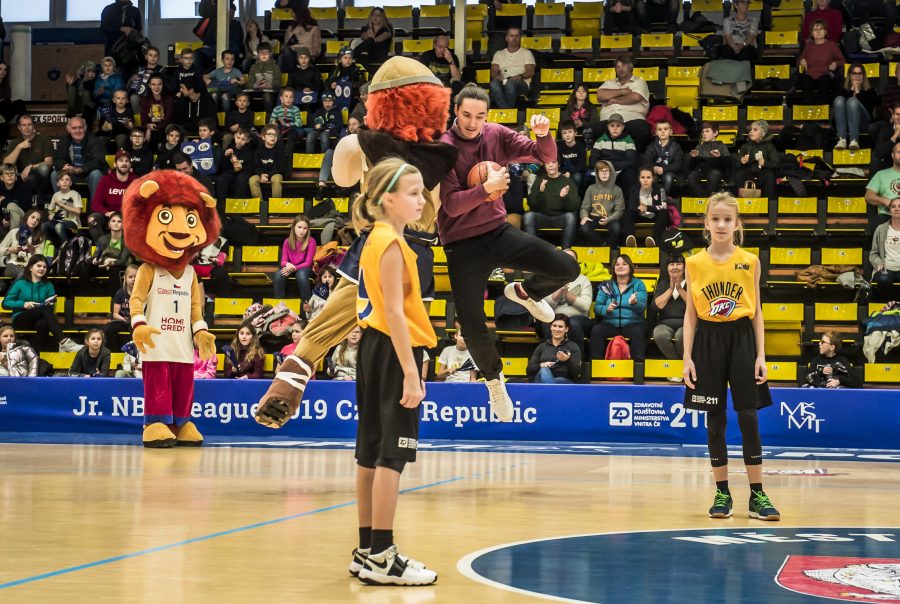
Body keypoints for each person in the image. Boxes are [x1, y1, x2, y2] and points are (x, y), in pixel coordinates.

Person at [439, 84, 580, 421]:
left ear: (487, 116)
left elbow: (544, 155)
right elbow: (451, 205)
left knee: (567, 268)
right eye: (467, 115)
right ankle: (494, 383)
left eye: (480, 116)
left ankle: (526, 292)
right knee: (471, 325)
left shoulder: (496, 134)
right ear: (455, 111)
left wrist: (543, 135)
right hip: (461, 244)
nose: (472, 123)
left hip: (497, 231)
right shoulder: (443, 148)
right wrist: (485, 189)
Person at [349, 158, 438, 586]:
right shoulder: (391, 244)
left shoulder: (376, 237)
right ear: (388, 199)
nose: (421, 201)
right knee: (391, 454)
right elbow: (395, 314)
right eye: (413, 193)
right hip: (392, 349)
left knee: (369, 450)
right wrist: (411, 373)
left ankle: (367, 550)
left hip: (373, 347)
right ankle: (383, 555)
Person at [682, 192, 780, 521]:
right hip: (707, 340)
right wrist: (687, 358)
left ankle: (757, 495)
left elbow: (758, 312)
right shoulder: (694, 262)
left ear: (737, 224)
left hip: (742, 339)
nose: (721, 225)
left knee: (748, 416)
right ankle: (722, 492)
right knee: (715, 418)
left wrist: (761, 354)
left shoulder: (750, 261)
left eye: (727, 219)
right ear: (706, 223)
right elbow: (691, 315)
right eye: (716, 219)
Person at [1, 255, 81, 352]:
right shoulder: (20, 283)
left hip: (40, 318)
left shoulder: (48, 285)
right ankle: (63, 341)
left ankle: (36, 355)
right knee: (44, 310)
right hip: (20, 319)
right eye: (39, 266)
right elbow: (5, 304)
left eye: (44, 267)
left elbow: (50, 308)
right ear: (30, 268)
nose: (42, 269)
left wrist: (50, 304)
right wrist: (23, 304)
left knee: (42, 324)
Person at [589, 254, 648, 361]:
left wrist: (634, 303)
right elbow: (597, 307)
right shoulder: (606, 285)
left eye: (624, 264)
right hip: (610, 324)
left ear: (630, 267)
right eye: (617, 264)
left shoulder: (639, 284)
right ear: (613, 268)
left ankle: (637, 365)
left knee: (638, 332)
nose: (620, 266)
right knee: (597, 330)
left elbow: (642, 307)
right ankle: (596, 364)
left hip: (632, 324)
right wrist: (606, 309)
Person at [595, 56, 651, 153]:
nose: (620, 69)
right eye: (617, 67)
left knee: (642, 129)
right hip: (608, 121)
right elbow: (600, 95)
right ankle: (606, 160)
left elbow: (635, 97)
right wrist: (622, 91)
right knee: (595, 128)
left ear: (631, 67)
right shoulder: (609, 83)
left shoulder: (639, 82)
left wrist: (614, 100)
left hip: (631, 121)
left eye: (623, 66)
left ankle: (635, 158)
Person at [523, 160, 581, 249]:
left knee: (571, 217)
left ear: (559, 164)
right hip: (543, 217)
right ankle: (534, 251)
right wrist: (540, 192)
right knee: (528, 216)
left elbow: (574, 206)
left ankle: (566, 251)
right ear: (544, 166)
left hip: (560, 218)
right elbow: (532, 205)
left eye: (553, 162)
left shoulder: (568, 182)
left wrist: (564, 197)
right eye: (547, 163)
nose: (550, 165)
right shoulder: (539, 180)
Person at [540, 248, 593, 344]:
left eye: (571, 258)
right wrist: (558, 292)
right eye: (565, 257)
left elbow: (585, 306)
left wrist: (567, 294)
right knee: (547, 324)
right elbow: (545, 306)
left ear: (576, 263)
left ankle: (576, 353)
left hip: (578, 317)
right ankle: (549, 352)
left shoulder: (583, 280)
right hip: (554, 316)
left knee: (572, 324)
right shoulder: (550, 279)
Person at [590, 113, 638, 208]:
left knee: (630, 174)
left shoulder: (628, 141)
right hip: (604, 169)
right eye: (612, 126)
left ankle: (628, 207)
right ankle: (595, 206)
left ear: (623, 127)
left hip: (621, 170)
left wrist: (612, 166)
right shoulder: (600, 141)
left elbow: (631, 161)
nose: (615, 128)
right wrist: (603, 168)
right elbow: (592, 159)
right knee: (589, 177)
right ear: (608, 127)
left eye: (618, 126)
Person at [2, 114, 54, 203]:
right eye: (24, 125)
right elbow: (6, 164)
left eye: (29, 124)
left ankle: (41, 198)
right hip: (21, 176)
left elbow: (49, 162)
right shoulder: (15, 142)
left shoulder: (44, 139)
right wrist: (19, 147)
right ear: (19, 127)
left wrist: (31, 166)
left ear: (33, 126)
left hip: (39, 177)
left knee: (44, 168)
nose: (27, 128)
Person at [651, 252, 686, 379]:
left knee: (681, 336)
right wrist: (670, 289)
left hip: (686, 323)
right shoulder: (663, 284)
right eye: (671, 264)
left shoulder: (691, 283)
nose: (675, 267)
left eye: (678, 264)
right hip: (665, 324)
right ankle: (679, 367)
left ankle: (677, 371)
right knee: (659, 334)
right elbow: (656, 306)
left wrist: (680, 289)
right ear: (667, 268)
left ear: (684, 267)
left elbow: (695, 306)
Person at [51, 117, 105, 200]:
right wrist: (65, 166)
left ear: (85, 128)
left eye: (80, 127)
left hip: (88, 172)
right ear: (69, 129)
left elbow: (98, 160)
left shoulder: (94, 141)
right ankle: (61, 203)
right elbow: (57, 159)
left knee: (96, 174)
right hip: (71, 173)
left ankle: (95, 205)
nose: (77, 131)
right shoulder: (64, 141)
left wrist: (80, 169)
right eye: (74, 128)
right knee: (54, 174)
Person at [89, 150, 136, 243]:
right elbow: (96, 204)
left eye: (127, 161)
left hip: (126, 215)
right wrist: (107, 213)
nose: (124, 163)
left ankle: (124, 247)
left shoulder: (135, 181)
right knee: (92, 219)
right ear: (115, 164)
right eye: (121, 160)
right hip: (108, 214)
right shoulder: (106, 180)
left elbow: (139, 203)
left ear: (130, 165)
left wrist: (125, 213)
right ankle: (103, 246)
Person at [832, 64, 880, 151]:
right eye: (854, 73)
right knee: (839, 99)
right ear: (850, 75)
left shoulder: (870, 91)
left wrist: (857, 92)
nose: (857, 76)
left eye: (860, 73)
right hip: (844, 124)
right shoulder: (843, 90)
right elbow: (838, 111)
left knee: (852, 101)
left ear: (863, 76)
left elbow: (869, 108)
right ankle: (842, 140)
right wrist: (851, 91)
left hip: (863, 122)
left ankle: (854, 140)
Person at [579, 159, 626, 247]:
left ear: (611, 173)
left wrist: (610, 219)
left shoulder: (617, 189)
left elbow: (620, 210)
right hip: (594, 218)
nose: (604, 173)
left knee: (616, 227)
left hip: (610, 218)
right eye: (601, 171)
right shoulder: (591, 188)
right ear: (597, 173)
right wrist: (584, 216)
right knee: (583, 226)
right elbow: (584, 208)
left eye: (607, 171)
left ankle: (611, 248)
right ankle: (604, 245)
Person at [795, 20, 844, 103]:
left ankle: (822, 108)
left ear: (825, 32)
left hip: (825, 75)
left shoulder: (832, 45)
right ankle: (807, 108)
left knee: (824, 81)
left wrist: (836, 63)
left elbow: (843, 61)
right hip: (809, 76)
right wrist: (802, 60)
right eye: (815, 29)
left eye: (821, 29)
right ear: (811, 33)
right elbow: (799, 62)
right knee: (805, 81)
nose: (818, 31)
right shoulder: (808, 46)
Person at [82, 211, 132, 290]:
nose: (116, 224)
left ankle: (115, 295)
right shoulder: (103, 239)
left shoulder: (127, 240)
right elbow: (97, 254)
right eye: (113, 221)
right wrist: (96, 260)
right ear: (109, 224)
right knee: (84, 267)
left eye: (119, 221)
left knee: (114, 269)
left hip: (119, 266)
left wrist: (111, 262)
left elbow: (123, 260)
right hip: (104, 264)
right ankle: (85, 292)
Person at [527, 314, 582, 384]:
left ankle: (550, 388)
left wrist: (567, 360)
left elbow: (577, 373)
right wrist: (541, 365)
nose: (557, 329)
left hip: (564, 383)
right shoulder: (542, 346)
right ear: (550, 327)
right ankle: (551, 387)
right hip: (542, 380)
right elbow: (529, 370)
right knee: (544, 370)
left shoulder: (573, 347)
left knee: (559, 380)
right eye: (554, 326)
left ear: (566, 329)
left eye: (560, 326)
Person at [489, 27, 535, 109]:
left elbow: (530, 71)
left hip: (521, 83)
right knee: (493, 84)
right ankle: (507, 110)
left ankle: (506, 111)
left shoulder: (527, 53)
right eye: (511, 35)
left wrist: (520, 76)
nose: (514, 38)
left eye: (517, 36)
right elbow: (494, 72)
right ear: (507, 38)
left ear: (520, 38)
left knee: (511, 83)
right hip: (503, 81)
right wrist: (498, 77)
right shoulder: (498, 54)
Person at [273, 214, 316, 301]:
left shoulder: (311, 241)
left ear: (308, 230)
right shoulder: (287, 241)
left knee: (301, 274)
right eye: (299, 227)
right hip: (291, 267)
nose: (302, 230)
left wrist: (293, 268)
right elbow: (283, 261)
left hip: (305, 268)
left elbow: (308, 263)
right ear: (294, 227)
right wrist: (287, 264)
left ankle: (306, 302)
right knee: (279, 274)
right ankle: (279, 303)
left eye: (305, 228)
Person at [733, 120, 778, 199]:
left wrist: (764, 163)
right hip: (749, 173)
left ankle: (769, 202)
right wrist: (742, 161)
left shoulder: (769, 146)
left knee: (770, 174)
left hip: (763, 174)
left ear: (762, 133)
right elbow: (736, 164)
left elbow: (776, 163)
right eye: (750, 129)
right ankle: (740, 200)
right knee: (740, 173)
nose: (751, 132)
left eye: (755, 130)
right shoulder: (745, 146)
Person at [0, 209, 49, 279]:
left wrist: (33, 252)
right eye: (33, 217)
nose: (35, 220)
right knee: (24, 273)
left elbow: (40, 259)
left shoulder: (40, 237)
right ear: (27, 217)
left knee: (28, 274)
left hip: (29, 267)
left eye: (37, 220)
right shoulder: (13, 232)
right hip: (12, 265)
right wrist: (9, 250)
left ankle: (14, 286)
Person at [628, 166, 670, 247]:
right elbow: (631, 205)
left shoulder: (660, 188)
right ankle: (631, 239)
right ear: (639, 178)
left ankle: (653, 240)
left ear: (653, 178)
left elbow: (664, 206)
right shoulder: (634, 188)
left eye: (648, 177)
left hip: (654, 215)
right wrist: (638, 208)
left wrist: (648, 207)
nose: (645, 180)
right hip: (639, 214)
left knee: (663, 213)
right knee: (627, 212)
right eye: (642, 177)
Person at [868, 197, 900, 302]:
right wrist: (878, 263)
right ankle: (888, 305)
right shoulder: (881, 229)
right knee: (883, 279)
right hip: (887, 269)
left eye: (899, 206)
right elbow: (873, 254)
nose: (896, 209)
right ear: (889, 210)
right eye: (893, 206)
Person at [642, 119, 684, 197]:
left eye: (665, 129)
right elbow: (646, 160)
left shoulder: (676, 147)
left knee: (668, 178)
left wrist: (664, 169)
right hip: (655, 171)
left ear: (671, 132)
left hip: (669, 171)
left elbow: (678, 165)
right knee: (651, 177)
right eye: (660, 129)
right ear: (656, 132)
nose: (662, 131)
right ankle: (652, 198)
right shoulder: (651, 146)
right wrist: (653, 168)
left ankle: (663, 199)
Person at [688, 121, 730, 197]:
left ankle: (706, 198)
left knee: (714, 174)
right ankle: (704, 198)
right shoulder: (699, 147)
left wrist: (719, 157)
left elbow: (728, 164)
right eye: (703, 131)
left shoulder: (721, 146)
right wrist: (694, 157)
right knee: (692, 176)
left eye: (707, 131)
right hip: (702, 171)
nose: (704, 134)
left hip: (716, 172)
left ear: (715, 133)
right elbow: (691, 166)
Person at [216, 128, 255, 209]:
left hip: (244, 172)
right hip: (230, 171)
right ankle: (221, 206)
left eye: (243, 139)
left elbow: (252, 168)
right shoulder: (229, 147)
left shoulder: (250, 151)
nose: (239, 141)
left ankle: (238, 207)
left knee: (241, 179)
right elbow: (221, 167)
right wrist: (225, 156)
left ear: (248, 140)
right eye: (238, 138)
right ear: (234, 136)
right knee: (221, 179)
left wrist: (242, 167)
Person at [864, 141, 900, 226]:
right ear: (893, 155)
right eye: (899, 152)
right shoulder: (881, 174)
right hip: (886, 216)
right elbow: (868, 196)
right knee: (875, 223)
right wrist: (885, 201)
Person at [42, 170, 83, 245]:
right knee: (44, 226)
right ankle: (53, 245)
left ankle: (66, 248)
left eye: (67, 180)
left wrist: (63, 205)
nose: (64, 182)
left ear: (70, 183)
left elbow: (78, 211)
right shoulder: (56, 195)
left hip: (72, 222)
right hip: (58, 220)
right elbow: (50, 210)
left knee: (58, 226)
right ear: (58, 183)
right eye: (62, 180)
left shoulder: (74, 194)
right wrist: (51, 214)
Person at [103, 263, 139, 349]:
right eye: (130, 277)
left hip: (136, 322)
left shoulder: (142, 293)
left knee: (135, 328)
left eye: (136, 277)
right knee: (107, 329)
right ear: (125, 278)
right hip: (123, 321)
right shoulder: (120, 293)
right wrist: (124, 319)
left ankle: (134, 354)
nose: (133, 279)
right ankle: (113, 351)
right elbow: (115, 314)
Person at [249, 125, 287, 200]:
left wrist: (267, 175)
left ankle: (276, 203)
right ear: (263, 137)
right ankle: (259, 203)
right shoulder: (258, 150)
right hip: (262, 174)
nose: (273, 137)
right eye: (270, 134)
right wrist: (261, 174)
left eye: (275, 135)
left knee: (276, 179)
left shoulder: (280, 150)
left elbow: (279, 167)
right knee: (252, 179)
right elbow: (256, 165)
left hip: (275, 173)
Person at [280, 7, 322, 71]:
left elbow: (316, 49)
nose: (292, 15)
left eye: (294, 13)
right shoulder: (290, 28)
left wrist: (304, 54)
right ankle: (294, 73)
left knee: (283, 58)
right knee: (282, 56)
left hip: (306, 55)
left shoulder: (314, 29)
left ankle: (294, 74)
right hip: (291, 54)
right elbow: (285, 46)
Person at [140, 74, 174, 151]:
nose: (156, 87)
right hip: (151, 130)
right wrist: (148, 127)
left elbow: (168, 121)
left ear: (163, 85)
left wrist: (152, 128)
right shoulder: (145, 100)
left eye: (159, 84)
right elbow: (143, 122)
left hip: (164, 129)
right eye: (153, 84)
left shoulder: (169, 99)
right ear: (149, 85)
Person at [126, 45, 163, 116]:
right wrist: (131, 80)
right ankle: (138, 121)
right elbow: (128, 86)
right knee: (133, 98)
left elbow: (165, 85)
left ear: (158, 58)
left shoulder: (161, 70)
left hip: (155, 93)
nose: (153, 58)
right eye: (150, 55)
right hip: (140, 94)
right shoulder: (140, 69)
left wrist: (155, 75)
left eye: (155, 56)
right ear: (146, 57)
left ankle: (155, 119)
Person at [246, 43, 281, 115]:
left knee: (267, 96)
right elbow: (249, 83)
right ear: (258, 54)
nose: (264, 54)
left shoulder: (275, 66)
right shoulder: (253, 67)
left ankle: (270, 118)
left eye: (266, 52)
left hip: (271, 91)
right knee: (244, 96)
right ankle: (250, 118)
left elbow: (278, 82)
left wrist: (269, 85)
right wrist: (255, 85)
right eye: (261, 52)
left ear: (270, 54)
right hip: (256, 91)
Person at [204, 50, 244, 114]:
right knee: (214, 95)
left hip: (231, 91)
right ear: (222, 60)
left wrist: (237, 81)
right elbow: (205, 76)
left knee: (224, 96)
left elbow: (243, 81)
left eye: (232, 59)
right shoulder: (217, 71)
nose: (230, 61)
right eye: (227, 59)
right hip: (219, 90)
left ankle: (227, 116)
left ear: (234, 61)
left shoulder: (236, 71)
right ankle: (213, 115)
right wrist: (206, 79)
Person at [269, 87, 304, 158]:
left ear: (293, 99)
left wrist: (288, 124)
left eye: (291, 97)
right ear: (281, 98)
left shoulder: (295, 109)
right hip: (279, 128)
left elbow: (299, 123)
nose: (288, 99)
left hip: (291, 128)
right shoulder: (276, 109)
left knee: (292, 134)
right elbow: (271, 121)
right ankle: (281, 155)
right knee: (276, 135)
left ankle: (286, 155)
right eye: (286, 96)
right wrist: (274, 123)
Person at [287, 47, 324, 113]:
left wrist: (310, 89)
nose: (303, 60)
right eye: (301, 57)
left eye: (305, 57)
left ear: (309, 59)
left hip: (312, 95)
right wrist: (301, 90)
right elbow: (289, 86)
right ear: (298, 59)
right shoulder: (293, 72)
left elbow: (320, 85)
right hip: (297, 95)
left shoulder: (315, 70)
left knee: (308, 105)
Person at [557, 121, 588, 195]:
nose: (567, 135)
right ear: (562, 136)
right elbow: (558, 163)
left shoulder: (581, 147)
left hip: (576, 172)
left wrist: (570, 173)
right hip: (563, 171)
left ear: (575, 133)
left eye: (570, 132)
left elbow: (581, 165)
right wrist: (562, 173)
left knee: (577, 178)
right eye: (564, 133)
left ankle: (577, 197)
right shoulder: (559, 146)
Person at [0, 164, 34, 230]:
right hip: (6, 220)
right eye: (6, 174)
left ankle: (14, 234)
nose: (9, 176)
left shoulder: (24, 187)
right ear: (1, 177)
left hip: (24, 217)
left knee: (11, 206)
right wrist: (2, 220)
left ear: (16, 176)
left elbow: (25, 207)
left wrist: (3, 201)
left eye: (12, 173)